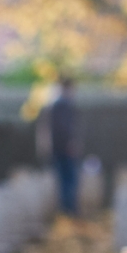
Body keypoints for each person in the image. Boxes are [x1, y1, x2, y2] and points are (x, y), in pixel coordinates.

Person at [50, 77, 81, 215]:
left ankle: (67, 209)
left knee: (64, 180)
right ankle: (69, 210)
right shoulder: (62, 105)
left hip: (60, 149)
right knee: (68, 180)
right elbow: (64, 129)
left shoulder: (57, 105)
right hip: (64, 150)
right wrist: (70, 143)